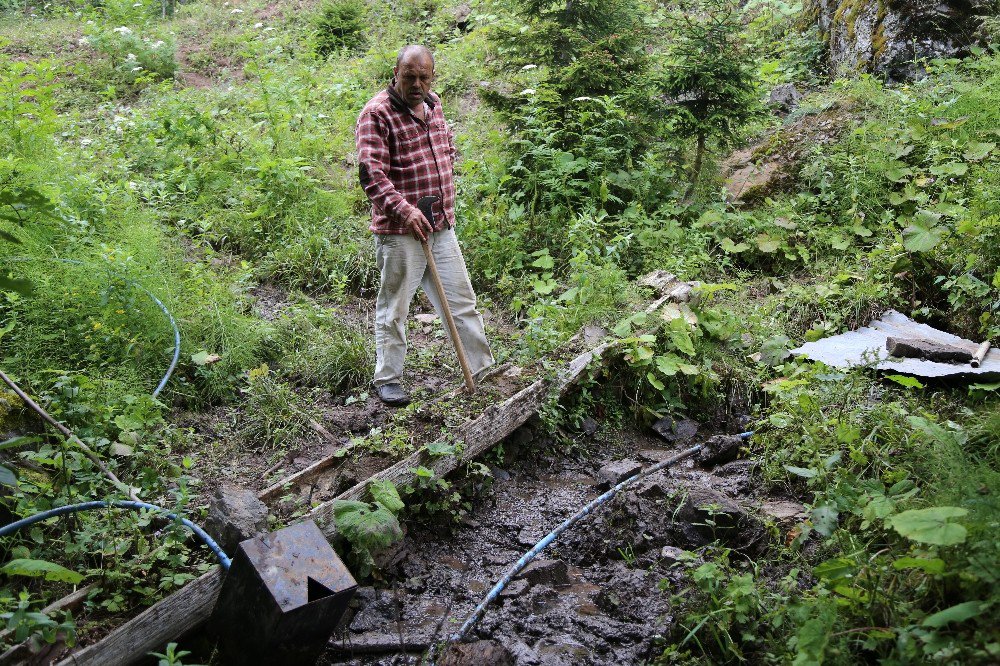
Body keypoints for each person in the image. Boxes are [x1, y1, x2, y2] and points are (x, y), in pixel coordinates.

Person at [355, 45, 494, 406]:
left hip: (440, 224)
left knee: (462, 302)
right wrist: (404, 209)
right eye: (409, 76)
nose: (417, 84)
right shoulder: (377, 113)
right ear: (396, 72)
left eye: (424, 77)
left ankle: (483, 371)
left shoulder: (433, 104)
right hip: (400, 231)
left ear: (432, 76)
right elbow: (371, 174)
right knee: (395, 306)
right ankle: (388, 379)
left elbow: (445, 151)